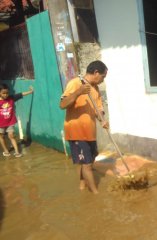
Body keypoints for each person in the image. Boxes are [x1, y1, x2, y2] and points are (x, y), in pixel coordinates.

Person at [60, 60, 109, 194]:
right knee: (87, 163)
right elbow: (62, 104)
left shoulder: (96, 89)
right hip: (76, 131)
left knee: (90, 159)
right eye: (103, 77)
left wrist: (102, 120)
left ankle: (82, 187)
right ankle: (95, 194)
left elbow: (98, 109)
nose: (103, 80)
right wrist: (78, 92)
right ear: (96, 73)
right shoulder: (75, 83)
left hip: (89, 132)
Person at [0, 84, 34, 158]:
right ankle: (6, 151)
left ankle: (17, 152)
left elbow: (21, 94)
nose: (5, 95)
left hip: (10, 122)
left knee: (11, 136)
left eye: (7, 93)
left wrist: (30, 92)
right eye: (3, 93)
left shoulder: (11, 98)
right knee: (1, 136)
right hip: (0, 123)